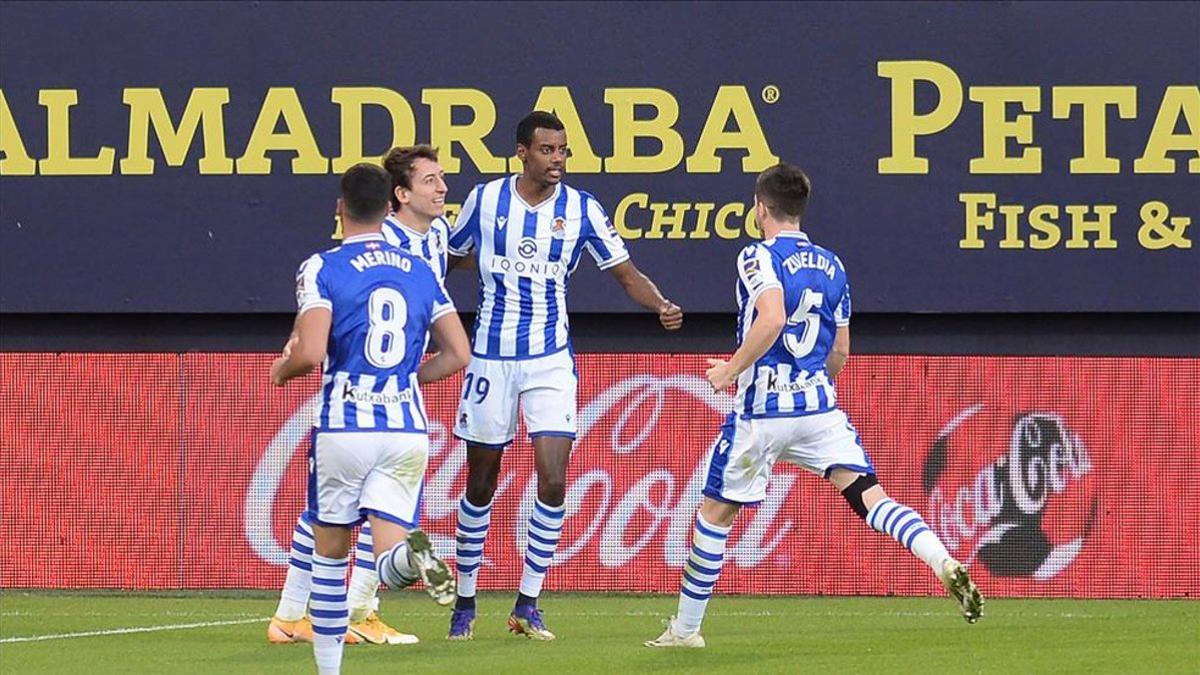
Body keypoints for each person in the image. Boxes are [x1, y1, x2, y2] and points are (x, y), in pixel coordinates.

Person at [645, 163, 984, 649]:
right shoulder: (834, 263)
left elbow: (773, 317)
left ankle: (685, 631)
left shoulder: (757, 256)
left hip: (763, 412)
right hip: (820, 410)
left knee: (714, 516)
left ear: (760, 208)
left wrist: (730, 371)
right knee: (872, 498)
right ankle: (941, 560)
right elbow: (840, 350)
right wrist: (811, 386)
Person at [444, 111, 683, 641]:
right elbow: (450, 255)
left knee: (553, 480)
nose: (557, 160)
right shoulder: (486, 200)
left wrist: (659, 304)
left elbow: (624, 272)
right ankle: (464, 601)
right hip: (490, 356)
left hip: (550, 358)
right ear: (522, 152)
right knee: (480, 483)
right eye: (548, 150)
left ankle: (527, 602)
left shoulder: (581, 210)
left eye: (563, 151)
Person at [269, 162, 470, 673]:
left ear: (340, 209)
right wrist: (407, 380)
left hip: (346, 425)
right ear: (388, 208)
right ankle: (412, 560)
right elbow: (459, 354)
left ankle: (329, 670)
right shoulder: (420, 269)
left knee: (331, 558)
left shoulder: (323, 267)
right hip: (406, 428)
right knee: (385, 556)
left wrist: (281, 370)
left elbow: (312, 351)